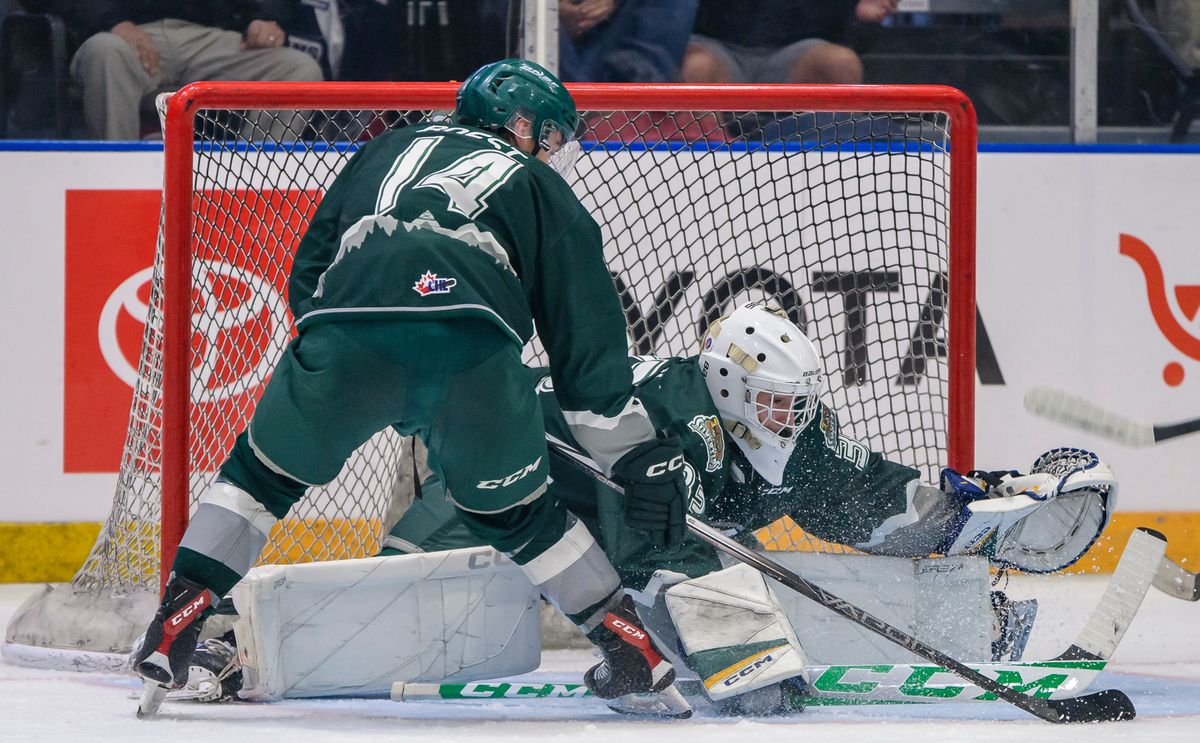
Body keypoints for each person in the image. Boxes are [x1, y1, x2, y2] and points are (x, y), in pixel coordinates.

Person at [173, 300, 1117, 714]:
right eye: (777, 401)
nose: (791, 417)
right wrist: (736, 658)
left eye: (798, 401)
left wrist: (965, 509)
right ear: (732, 387)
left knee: (519, 620)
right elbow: (665, 550)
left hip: (584, 544)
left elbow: (858, 498)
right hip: (476, 490)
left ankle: (976, 605)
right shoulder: (666, 411)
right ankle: (230, 641)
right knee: (424, 617)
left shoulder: (782, 428)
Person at [131, 58, 690, 706]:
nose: (556, 151)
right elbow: (585, 340)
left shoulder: (385, 149)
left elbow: (310, 265)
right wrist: (627, 453)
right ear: (519, 124)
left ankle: (174, 625)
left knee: (257, 482)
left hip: (344, 334)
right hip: (471, 353)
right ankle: (632, 650)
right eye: (553, 136)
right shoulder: (536, 185)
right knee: (522, 518)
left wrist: (346, 355)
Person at [64, 0, 324, 140]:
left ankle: (249, 189)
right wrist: (112, 22)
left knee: (298, 69)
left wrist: (260, 20)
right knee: (105, 51)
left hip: (210, 36)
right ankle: (114, 181)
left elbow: (250, 8)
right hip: (122, 33)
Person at [680, 0, 898, 86]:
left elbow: (851, 38)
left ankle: (832, 168)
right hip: (714, 47)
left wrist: (861, 16)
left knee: (841, 63)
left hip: (796, 55)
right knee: (696, 66)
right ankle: (710, 168)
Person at [557, 0, 699, 83]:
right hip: (555, 39)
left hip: (621, 35)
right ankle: (577, 112)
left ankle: (645, 97)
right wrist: (552, 10)